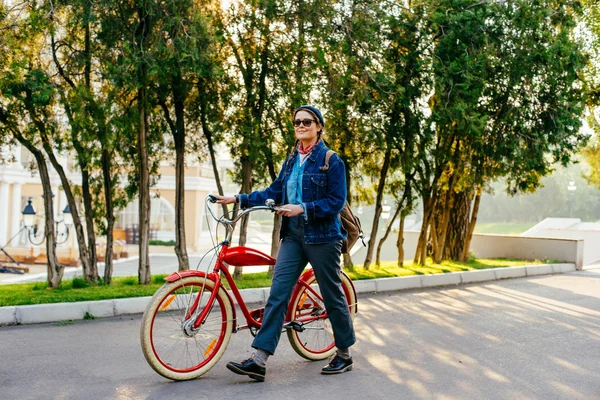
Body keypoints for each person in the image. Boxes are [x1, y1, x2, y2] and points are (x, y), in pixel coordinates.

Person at [214, 105, 356, 382]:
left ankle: (344, 354)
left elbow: (335, 202)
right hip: (293, 235)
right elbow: (274, 192)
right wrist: (238, 198)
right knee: (278, 294)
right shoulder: (291, 160)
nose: (301, 125)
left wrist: (302, 208)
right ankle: (259, 360)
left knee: (331, 295)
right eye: (296, 122)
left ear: (318, 126)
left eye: (307, 121)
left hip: (323, 237)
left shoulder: (331, 160)